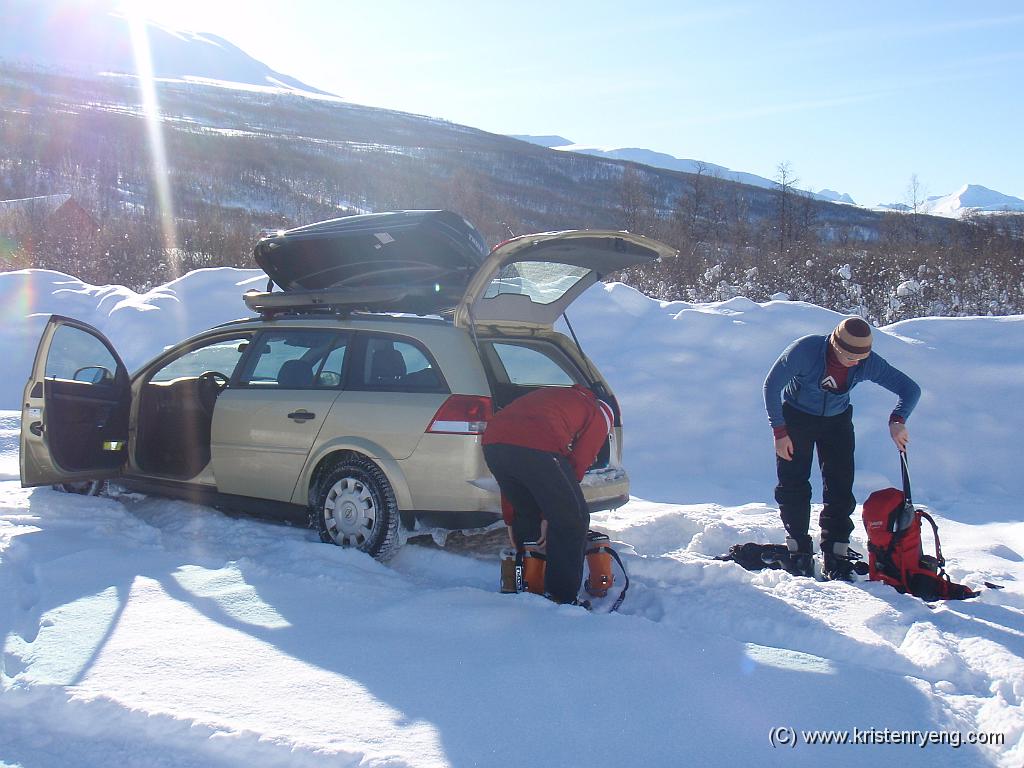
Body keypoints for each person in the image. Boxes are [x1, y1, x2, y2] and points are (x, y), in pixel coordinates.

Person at [763, 317, 921, 581]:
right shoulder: (805, 351)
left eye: (861, 358)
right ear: (835, 345)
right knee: (793, 483)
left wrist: (897, 420)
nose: (856, 363)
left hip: (837, 422)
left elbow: (910, 389)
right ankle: (798, 549)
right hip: (797, 418)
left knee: (840, 485)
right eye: (850, 357)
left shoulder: (866, 362)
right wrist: (780, 432)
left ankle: (836, 551)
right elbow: (771, 386)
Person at [482, 384, 614, 604]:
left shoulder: (557, 396)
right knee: (572, 519)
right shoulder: (601, 411)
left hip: (493, 444)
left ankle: (526, 585)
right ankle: (562, 598)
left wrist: (511, 520)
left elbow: (517, 487)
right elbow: (577, 464)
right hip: (538, 447)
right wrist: (550, 516)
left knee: (526, 513)